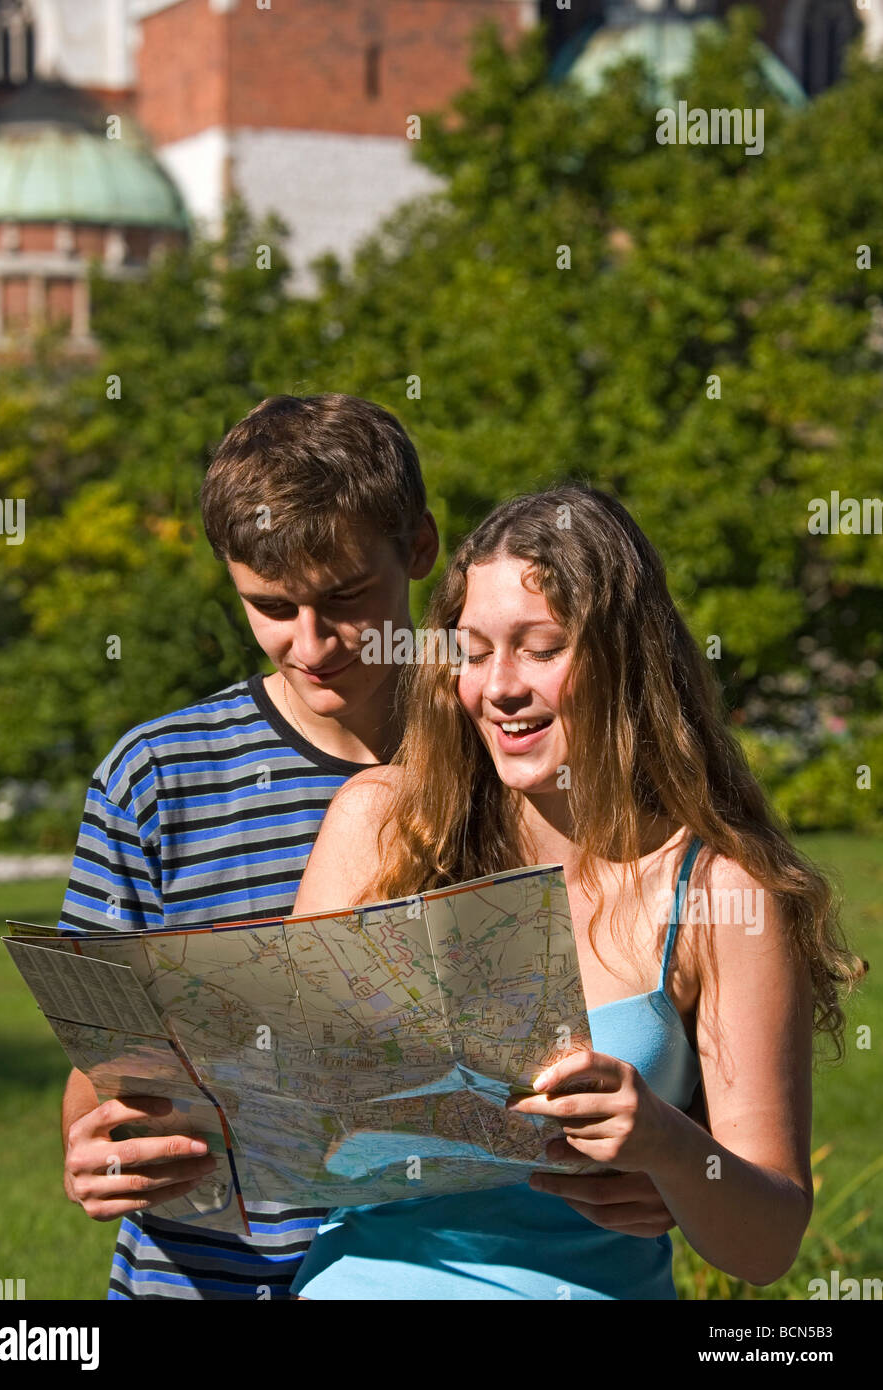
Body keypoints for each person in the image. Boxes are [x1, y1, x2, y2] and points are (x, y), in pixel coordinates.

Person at [289, 483, 866, 1300]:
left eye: (541, 647)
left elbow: (767, 1242)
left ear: (624, 658)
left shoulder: (717, 892)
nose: (500, 687)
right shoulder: (379, 825)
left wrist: (669, 1148)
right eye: (476, 651)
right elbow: (274, 1108)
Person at [58, 391, 442, 1299]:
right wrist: (101, 1150)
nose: (308, 645)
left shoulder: (512, 747)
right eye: (268, 606)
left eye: (345, 599)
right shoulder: (157, 778)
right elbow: (101, 1076)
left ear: (419, 548)